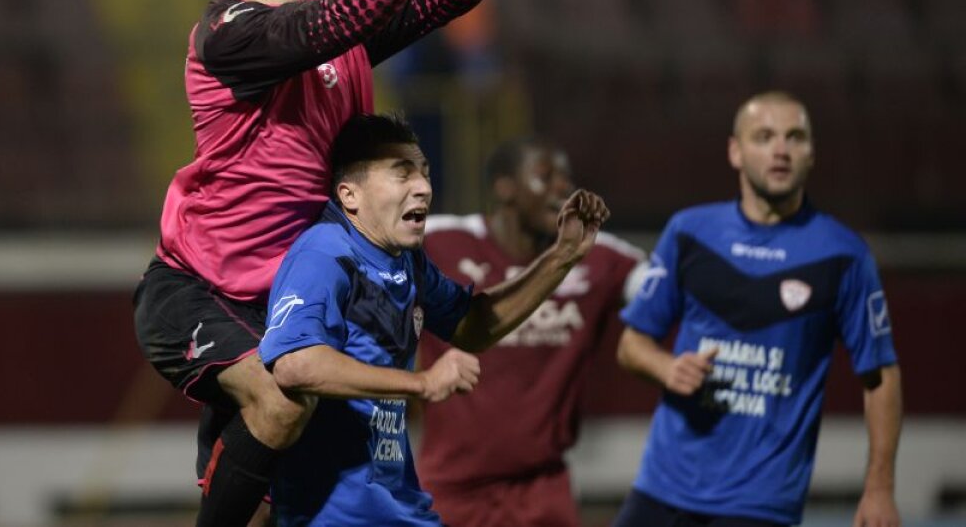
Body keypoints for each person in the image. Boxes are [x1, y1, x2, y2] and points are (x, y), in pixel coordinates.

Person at [133, 0, 521, 527]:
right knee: (284, 402)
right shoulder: (227, 37)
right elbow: (332, 22)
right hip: (201, 288)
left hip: (290, 291)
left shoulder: (325, 25)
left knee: (285, 489)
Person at [257, 113, 611, 526]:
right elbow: (296, 363)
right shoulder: (324, 253)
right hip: (334, 517)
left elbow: (472, 325)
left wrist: (561, 257)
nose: (423, 188)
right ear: (350, 195)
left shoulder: (406, 261)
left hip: (398, 507)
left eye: (424, 173)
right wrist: (421, 383)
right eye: (402, 174)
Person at [613, 91, 902, 527]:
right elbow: (631, 345)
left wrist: (879, 488)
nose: (781, 150)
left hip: (760, 504)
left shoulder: (844, 255)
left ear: (811, 154)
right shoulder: (690, 232)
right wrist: (666, 368)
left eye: (795, 137)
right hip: (663, 488)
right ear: (735, 151)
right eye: (764, 136)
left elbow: (881, 377)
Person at [416, 139, 646, 527]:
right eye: (545, 176)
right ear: (504, 187)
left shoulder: (599, 256)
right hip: (452, 489)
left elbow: (674, 291)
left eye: (565, 178)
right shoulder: (439, 241)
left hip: (544, 489)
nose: (561, 187)